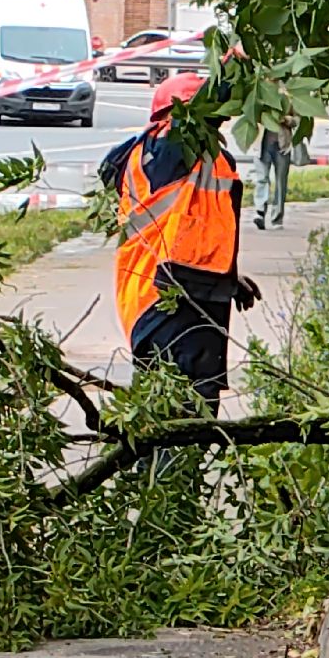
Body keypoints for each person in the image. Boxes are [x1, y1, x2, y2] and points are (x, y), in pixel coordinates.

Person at [100, 72, 260, 416]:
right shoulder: (165, 149)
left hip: (190, 297)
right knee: (175, 417)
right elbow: (198, 116)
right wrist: (239, 63)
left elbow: (194, 226)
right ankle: (163, 470)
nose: (221, 121)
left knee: (189, 411)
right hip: (163, 303)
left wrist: (228, 279)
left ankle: (163, 469)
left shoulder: (200, 159)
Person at [252, 112, 295, 231]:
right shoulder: (261, 95)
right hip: (261, 144)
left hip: (282, 146)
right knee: (262, 178)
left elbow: (297, 120)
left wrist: (286, 119)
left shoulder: (288, 96)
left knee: (281, 182)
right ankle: (260, 212)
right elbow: (251, 114)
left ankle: (277, 218)